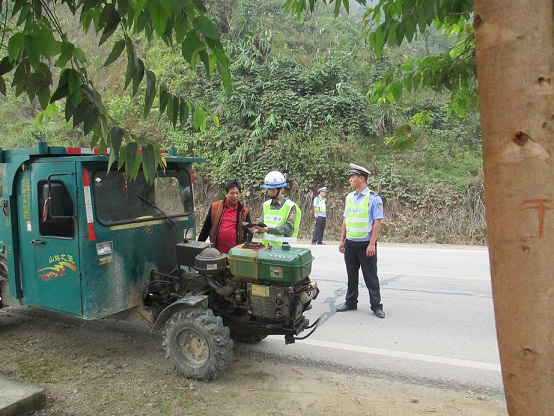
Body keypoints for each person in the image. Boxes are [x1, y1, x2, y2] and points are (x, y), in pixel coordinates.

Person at [337, 163, 385, 318]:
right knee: (351, 275)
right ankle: (351, 302)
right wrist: (342, 240)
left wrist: (372, 243)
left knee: (370, 276)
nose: (350, 180)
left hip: (366, 243)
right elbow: (346, 220)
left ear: (361, 178)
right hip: (351, 243)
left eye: (353, 177)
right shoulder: (349, 198)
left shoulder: (373, 198)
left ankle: (376, 305)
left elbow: (377, 222)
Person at [198, 179, 252, 253]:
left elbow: (249, 232)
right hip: (216, 253)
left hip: (235, 254)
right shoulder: (215, 207)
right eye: (232, 193)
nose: (235, 196)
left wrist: (242, 250)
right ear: (226, 194)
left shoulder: (244, 212)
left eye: (237, 193)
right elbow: (206, 228)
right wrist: (198, 247)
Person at [253, 171, 301, 246]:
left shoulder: (291, 206)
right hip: (265, 247)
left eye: (273, 190)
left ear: (281, 189)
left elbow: (288, 228)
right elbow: (261, 224)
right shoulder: (266, 205)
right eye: (269, 189)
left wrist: (268, 229)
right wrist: (257, 229)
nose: (270, 192)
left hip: (283, 248)